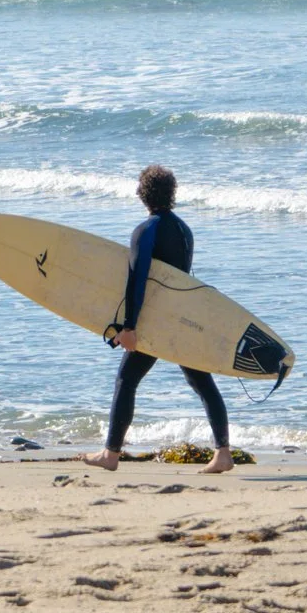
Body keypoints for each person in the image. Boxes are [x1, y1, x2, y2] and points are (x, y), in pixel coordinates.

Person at [82, 165, 233, 476]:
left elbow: (137, 281)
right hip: (183, 317)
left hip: (155, 322)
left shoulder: (145, 230)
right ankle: (223, 453)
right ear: (171, 192)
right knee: (201, 381)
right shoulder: (184, 230)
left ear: (143, 194)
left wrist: (129, 328)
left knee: (126, 380)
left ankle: (110, 454)